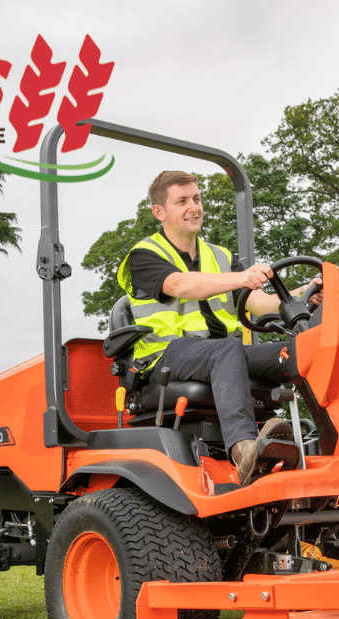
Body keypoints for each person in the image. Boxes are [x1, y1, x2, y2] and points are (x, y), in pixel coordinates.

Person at [116, 170, 320, 486]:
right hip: (166, 356)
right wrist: (241, 278)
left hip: (222, 355)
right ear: (160, 212)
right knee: (226, 349)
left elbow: (261, 304)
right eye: (181, 201)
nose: (193, 207)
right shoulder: (143, 255)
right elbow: (182, 284)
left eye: (196, 199)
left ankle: (329, 441)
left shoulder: (221, 257)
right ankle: (244, 450)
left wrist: (304, 294)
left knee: (302, 350)